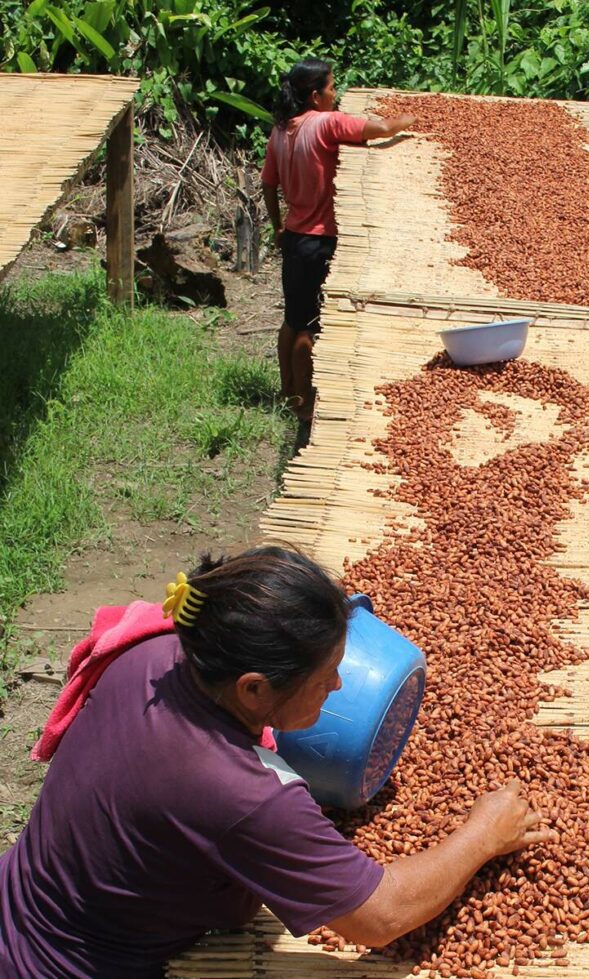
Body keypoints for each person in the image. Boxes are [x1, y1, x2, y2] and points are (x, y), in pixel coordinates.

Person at [0, 546, 554, 978]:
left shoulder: (153, 652)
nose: (339, 687)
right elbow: (381, 917)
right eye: (324, 678)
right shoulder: (242, 794)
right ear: (253, 688)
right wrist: (483, 835)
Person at [260, 60, 415, 444]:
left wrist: (277, 226)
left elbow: (268, 183)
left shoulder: (281, 130)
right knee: (309, 327)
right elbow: (380, 129)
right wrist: (409, 119)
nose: (336, 94)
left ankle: (287, 391)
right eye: (332, 88)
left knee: (291, 318)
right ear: (315, 96)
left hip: (294, 237)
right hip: (318, 242)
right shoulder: (326, 124)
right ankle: (304, 404)